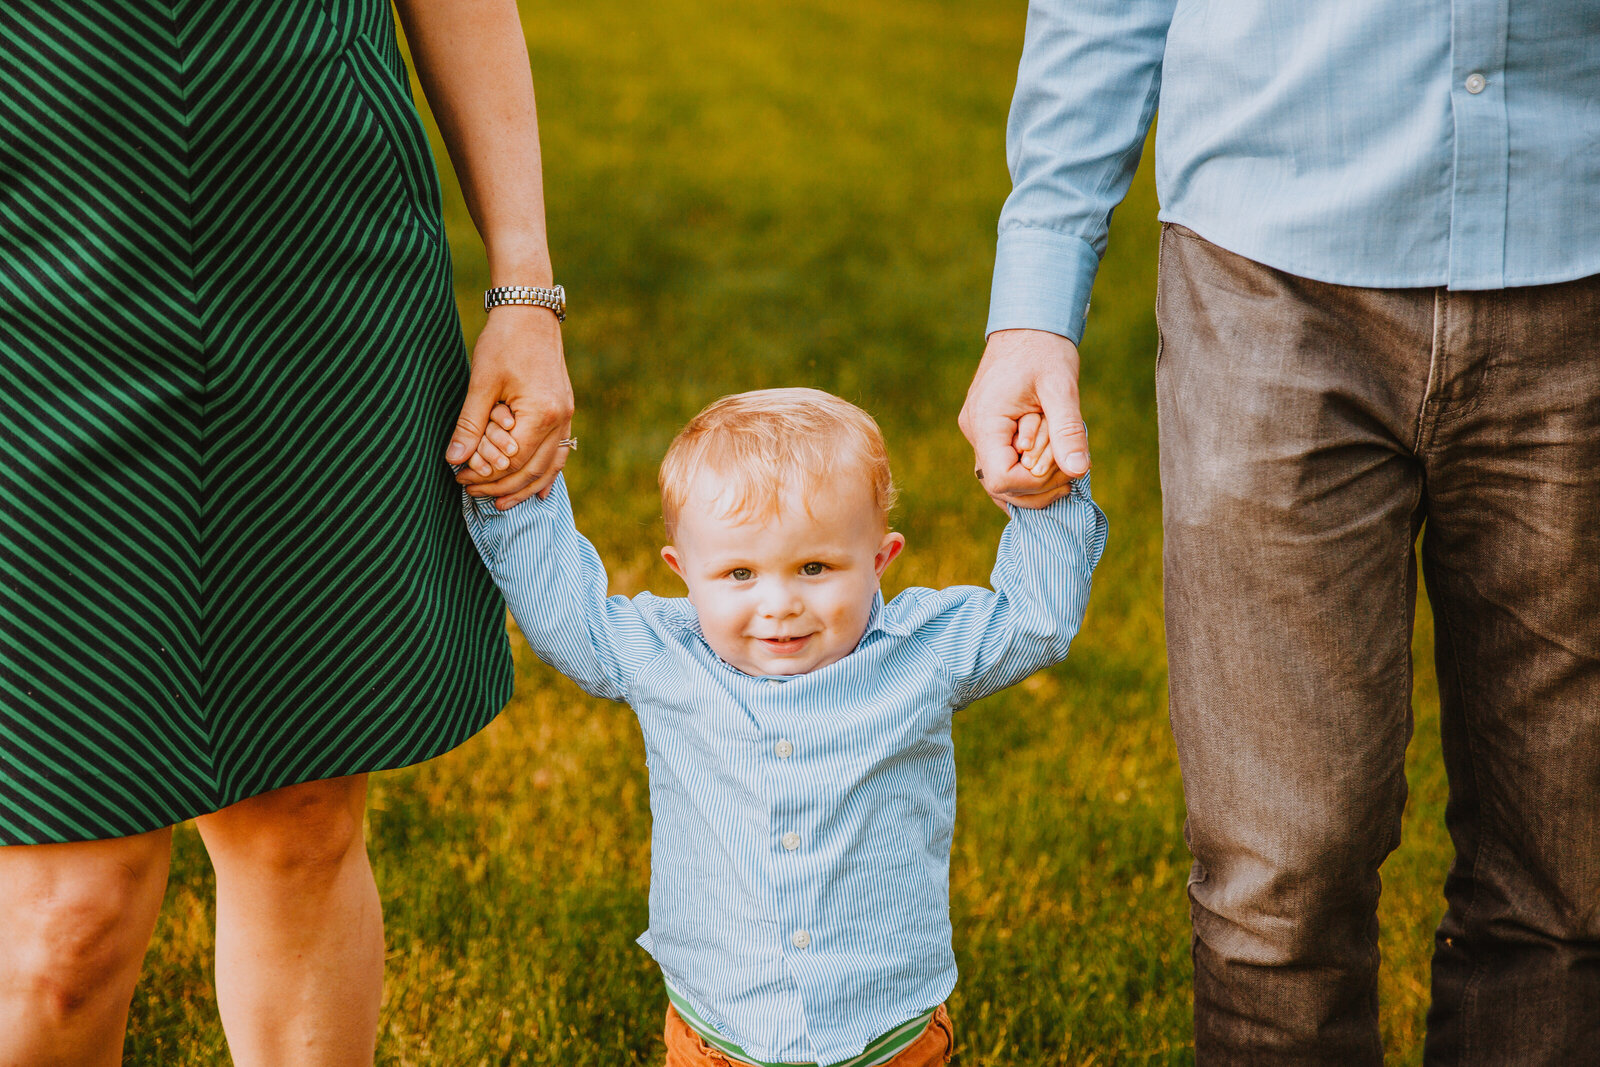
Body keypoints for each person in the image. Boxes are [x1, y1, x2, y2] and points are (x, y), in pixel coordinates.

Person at [961, 1, 1600, 1062]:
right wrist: (1035, 298)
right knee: (1280, 878)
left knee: (1570, 877)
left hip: (1576, 253)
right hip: (1266, 277)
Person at [0, 1, 569, 1063]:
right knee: (68, 905)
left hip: (317, 268)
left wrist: (523, 286)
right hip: (35, 300)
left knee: (301, 807)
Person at [460, 388, 1107, 1067]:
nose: (780, 604)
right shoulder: (664, 657)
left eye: (815, 567)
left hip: (885, 1035)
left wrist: (1045, 500)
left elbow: (1035, 619)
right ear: (685, 574)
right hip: (720, 1035)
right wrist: (519, 491)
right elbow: (570, 618)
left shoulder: (921, 652)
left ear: (881, 559)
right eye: (739, 572)